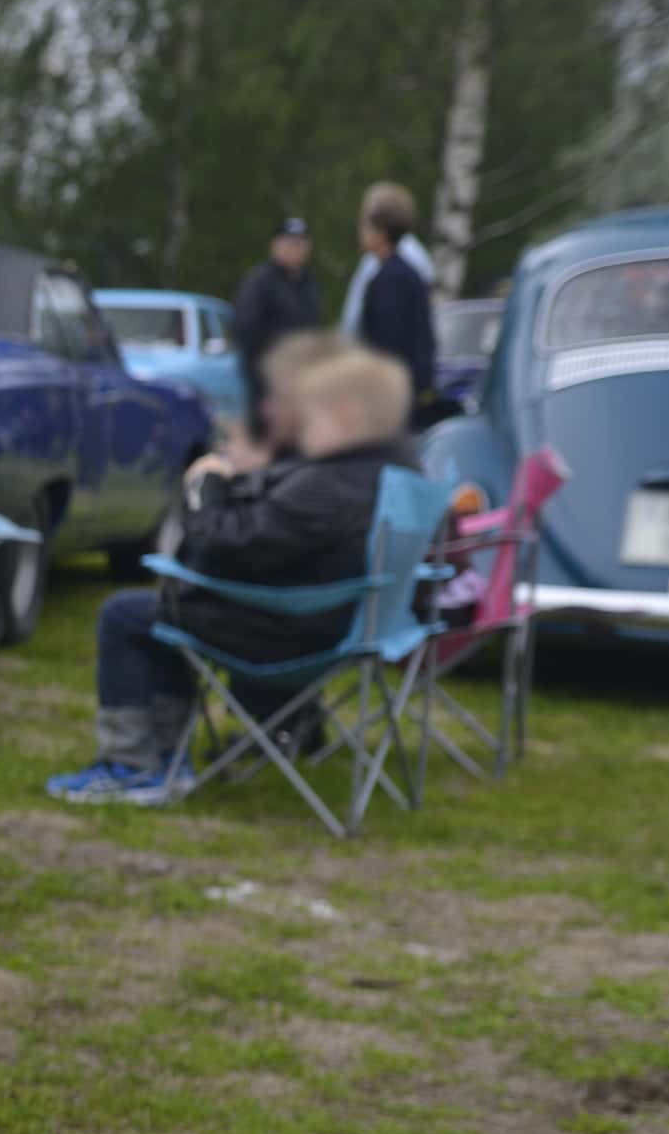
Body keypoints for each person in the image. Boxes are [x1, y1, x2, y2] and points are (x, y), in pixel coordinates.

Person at [48, 339, 416, 807]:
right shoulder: (388, 471)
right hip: (341, 625)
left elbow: (224, 547)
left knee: (132, 614)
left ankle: (134, 765)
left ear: (346, 414)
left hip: (291, 634)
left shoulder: (328, 485)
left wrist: (207, 483)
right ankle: (165, 760)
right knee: (173, 607)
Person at [349, 182, 439, 421]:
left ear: (381, 232)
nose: (360, 232)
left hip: (393, 389)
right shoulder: (390, 272)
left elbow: (390, 341)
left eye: (365, 225)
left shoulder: (393, 278)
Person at [230, 216, 322, 380]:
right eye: (290, 243)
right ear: (275, 245)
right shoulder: (259, 283)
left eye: (301, 243)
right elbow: (245, 329)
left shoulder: (309, 283)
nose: (296, 249)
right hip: (268, 375)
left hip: (302, 374)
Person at [338, 182, 434, 329]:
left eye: (366, 219)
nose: (360, 227)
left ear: (382, 227)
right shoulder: (375, 258)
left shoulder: (407, 260)